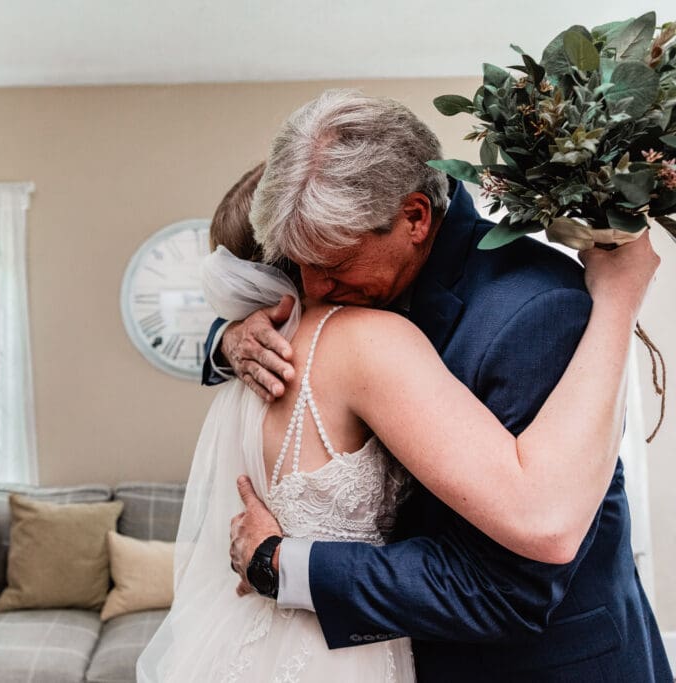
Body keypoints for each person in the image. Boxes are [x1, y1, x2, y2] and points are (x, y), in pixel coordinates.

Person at [201, 90, 668, 681]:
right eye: (298, 267)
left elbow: (512, 588)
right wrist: (228, 336)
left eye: (332, 266)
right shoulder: (350, 286)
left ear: (415, 218)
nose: (312, 291)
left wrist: (280, 565)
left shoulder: (532, 308)